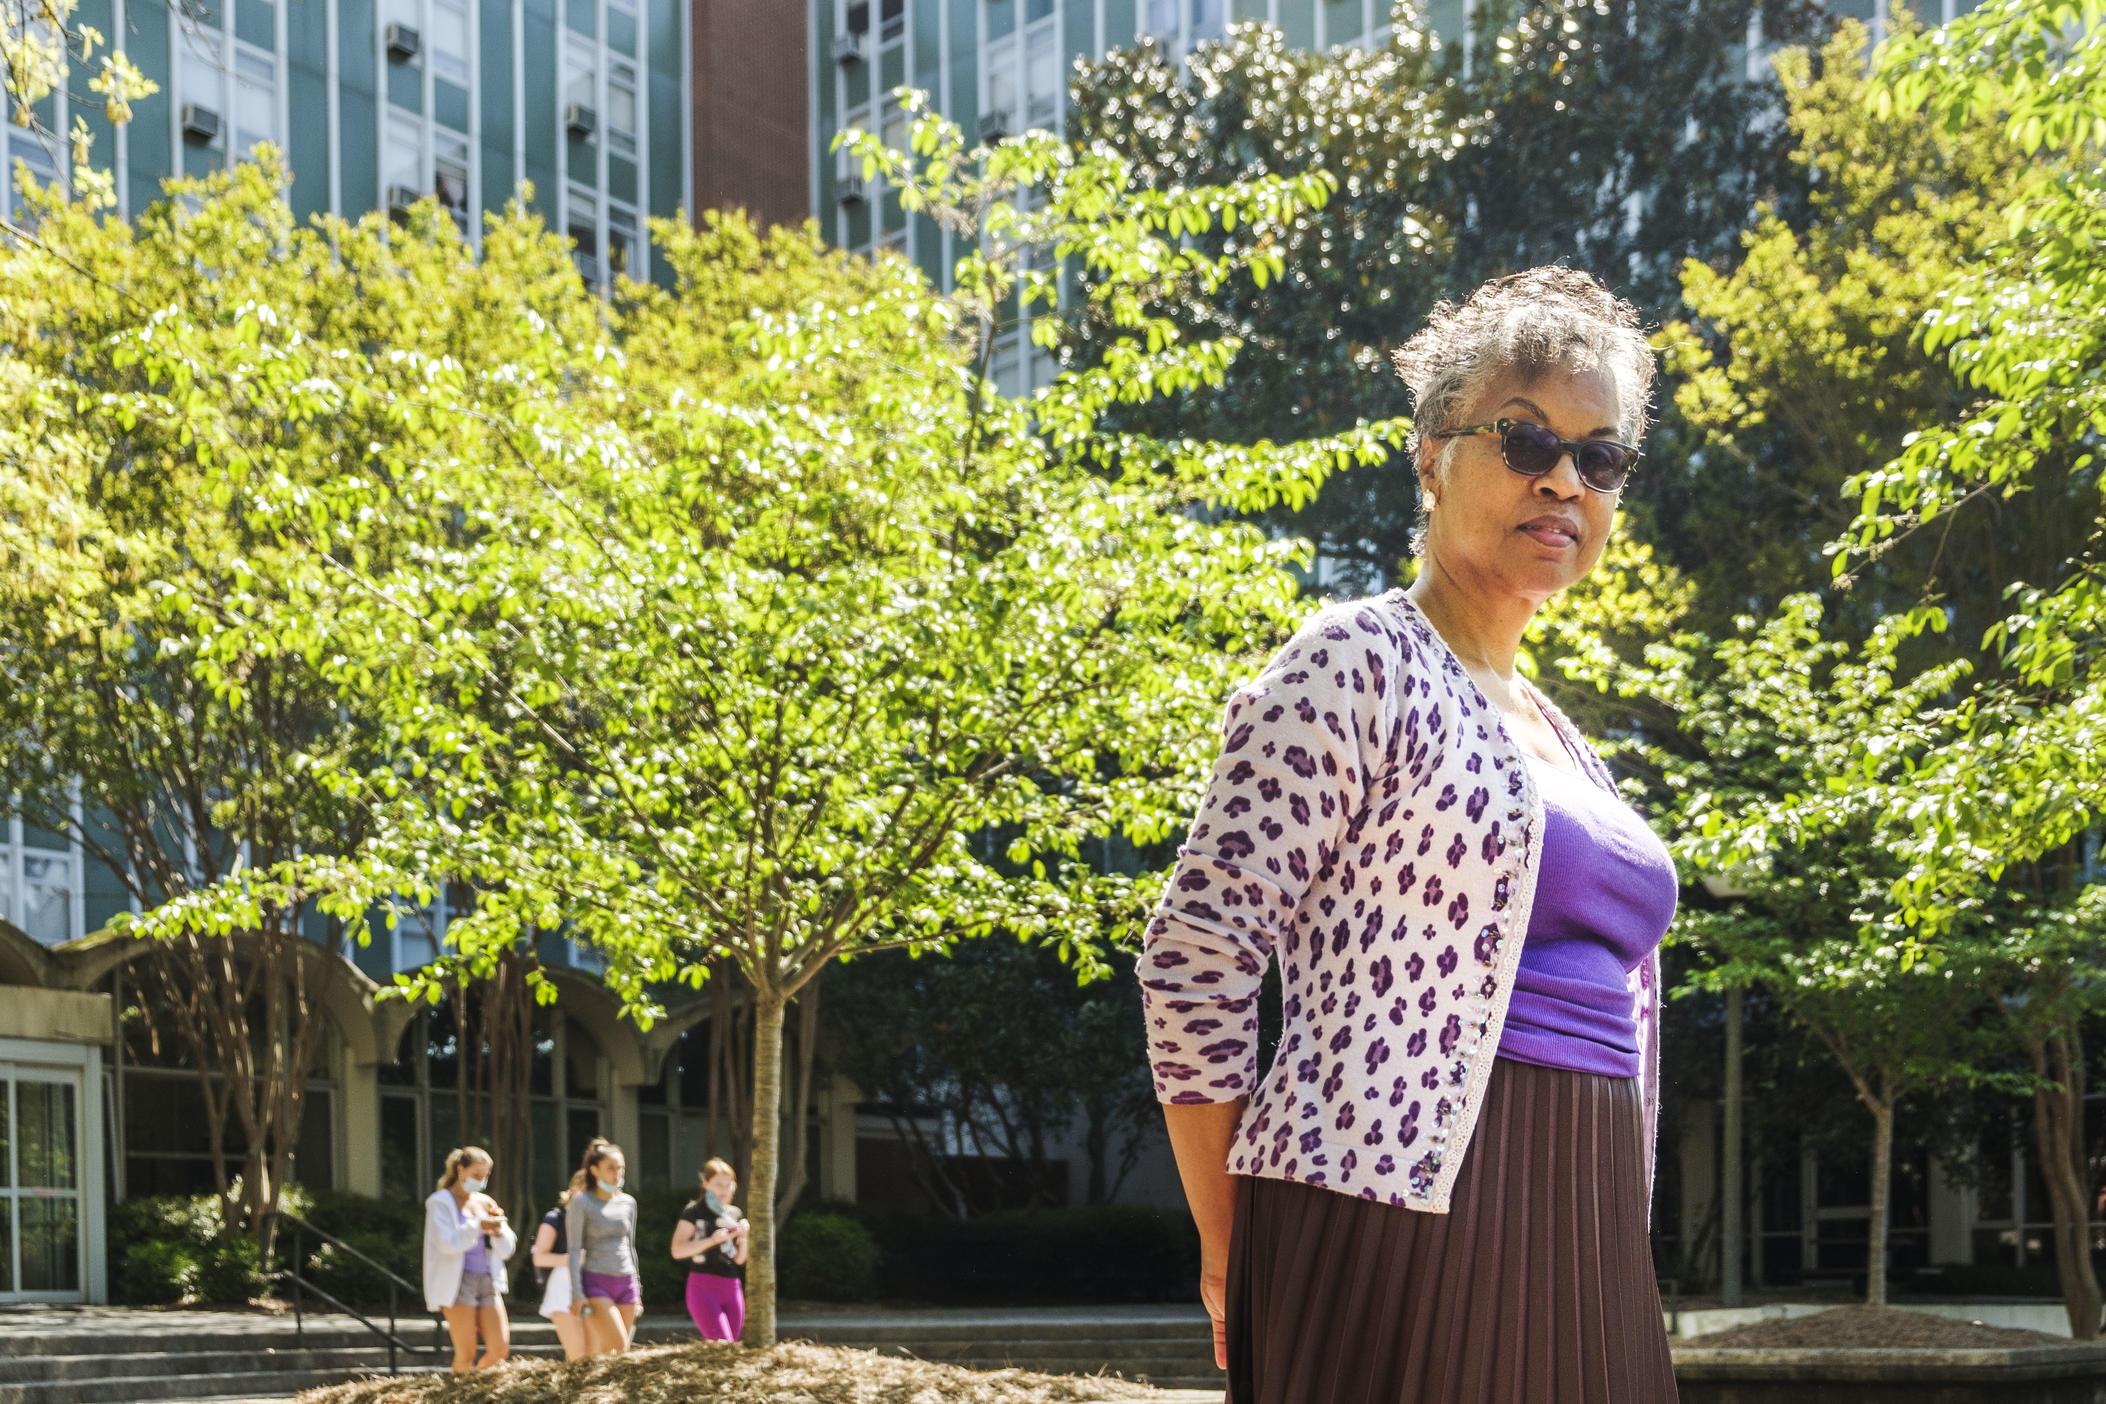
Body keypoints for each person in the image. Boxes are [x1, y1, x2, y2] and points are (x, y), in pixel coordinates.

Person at [1139, 266, 1681, 1403]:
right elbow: (1197, 960)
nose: (1565, 482)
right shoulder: (1353, 662)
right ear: (1433, 453)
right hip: (1385, 1207)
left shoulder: (1565, 739)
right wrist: (1235, 1245)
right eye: (1526, 442)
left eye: (1602, 456)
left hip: (1586, 1217)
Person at [421, 1146, 517, 1373]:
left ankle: (476, 1390)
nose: (481, 1181)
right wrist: (478, 1226)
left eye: (485, 1176)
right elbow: (447, 1244)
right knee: (466, 1353)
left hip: (487, 1279)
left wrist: (498, 1232)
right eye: (476, 1175)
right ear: (460, 1170)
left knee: (499, 1350)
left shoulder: (486, 1202)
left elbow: (507, 1248)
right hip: (457, 1282)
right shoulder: (440, 1202)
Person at [566, 1138, 642, 1356]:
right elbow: (573, 1250)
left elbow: (630, 1245)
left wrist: (637, 1287)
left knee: (613, 1353)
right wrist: (577, 1293)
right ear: (594, 1170)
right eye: (610, 1168)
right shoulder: (581, 1203)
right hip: (597, 1281)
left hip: (626, 1281)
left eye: (620, 1168)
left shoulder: (629, 1203)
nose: (617, 1173)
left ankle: (602, 1390)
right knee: (620, 1346)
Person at [672, 1157, 750, 1341]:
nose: (724, 1190)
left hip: (732, 1286)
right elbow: (677, 1251)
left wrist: (744, 1237)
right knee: (722, 1345)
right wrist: (712, 1241)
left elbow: (739, 1260)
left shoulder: (734, 1213)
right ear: (706, 1184)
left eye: (728, 1184)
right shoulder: (694, 1212)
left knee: (732, 1346)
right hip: (703, 1286)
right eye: (718, 1184)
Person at [529, 1171, 589, 1361]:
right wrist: (573, 1259)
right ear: (574, 1189)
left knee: (596, 1354)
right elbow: (539, 1258)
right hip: (564, 1290)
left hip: (595, 1287)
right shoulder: (556, 1218)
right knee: (578, 1356)